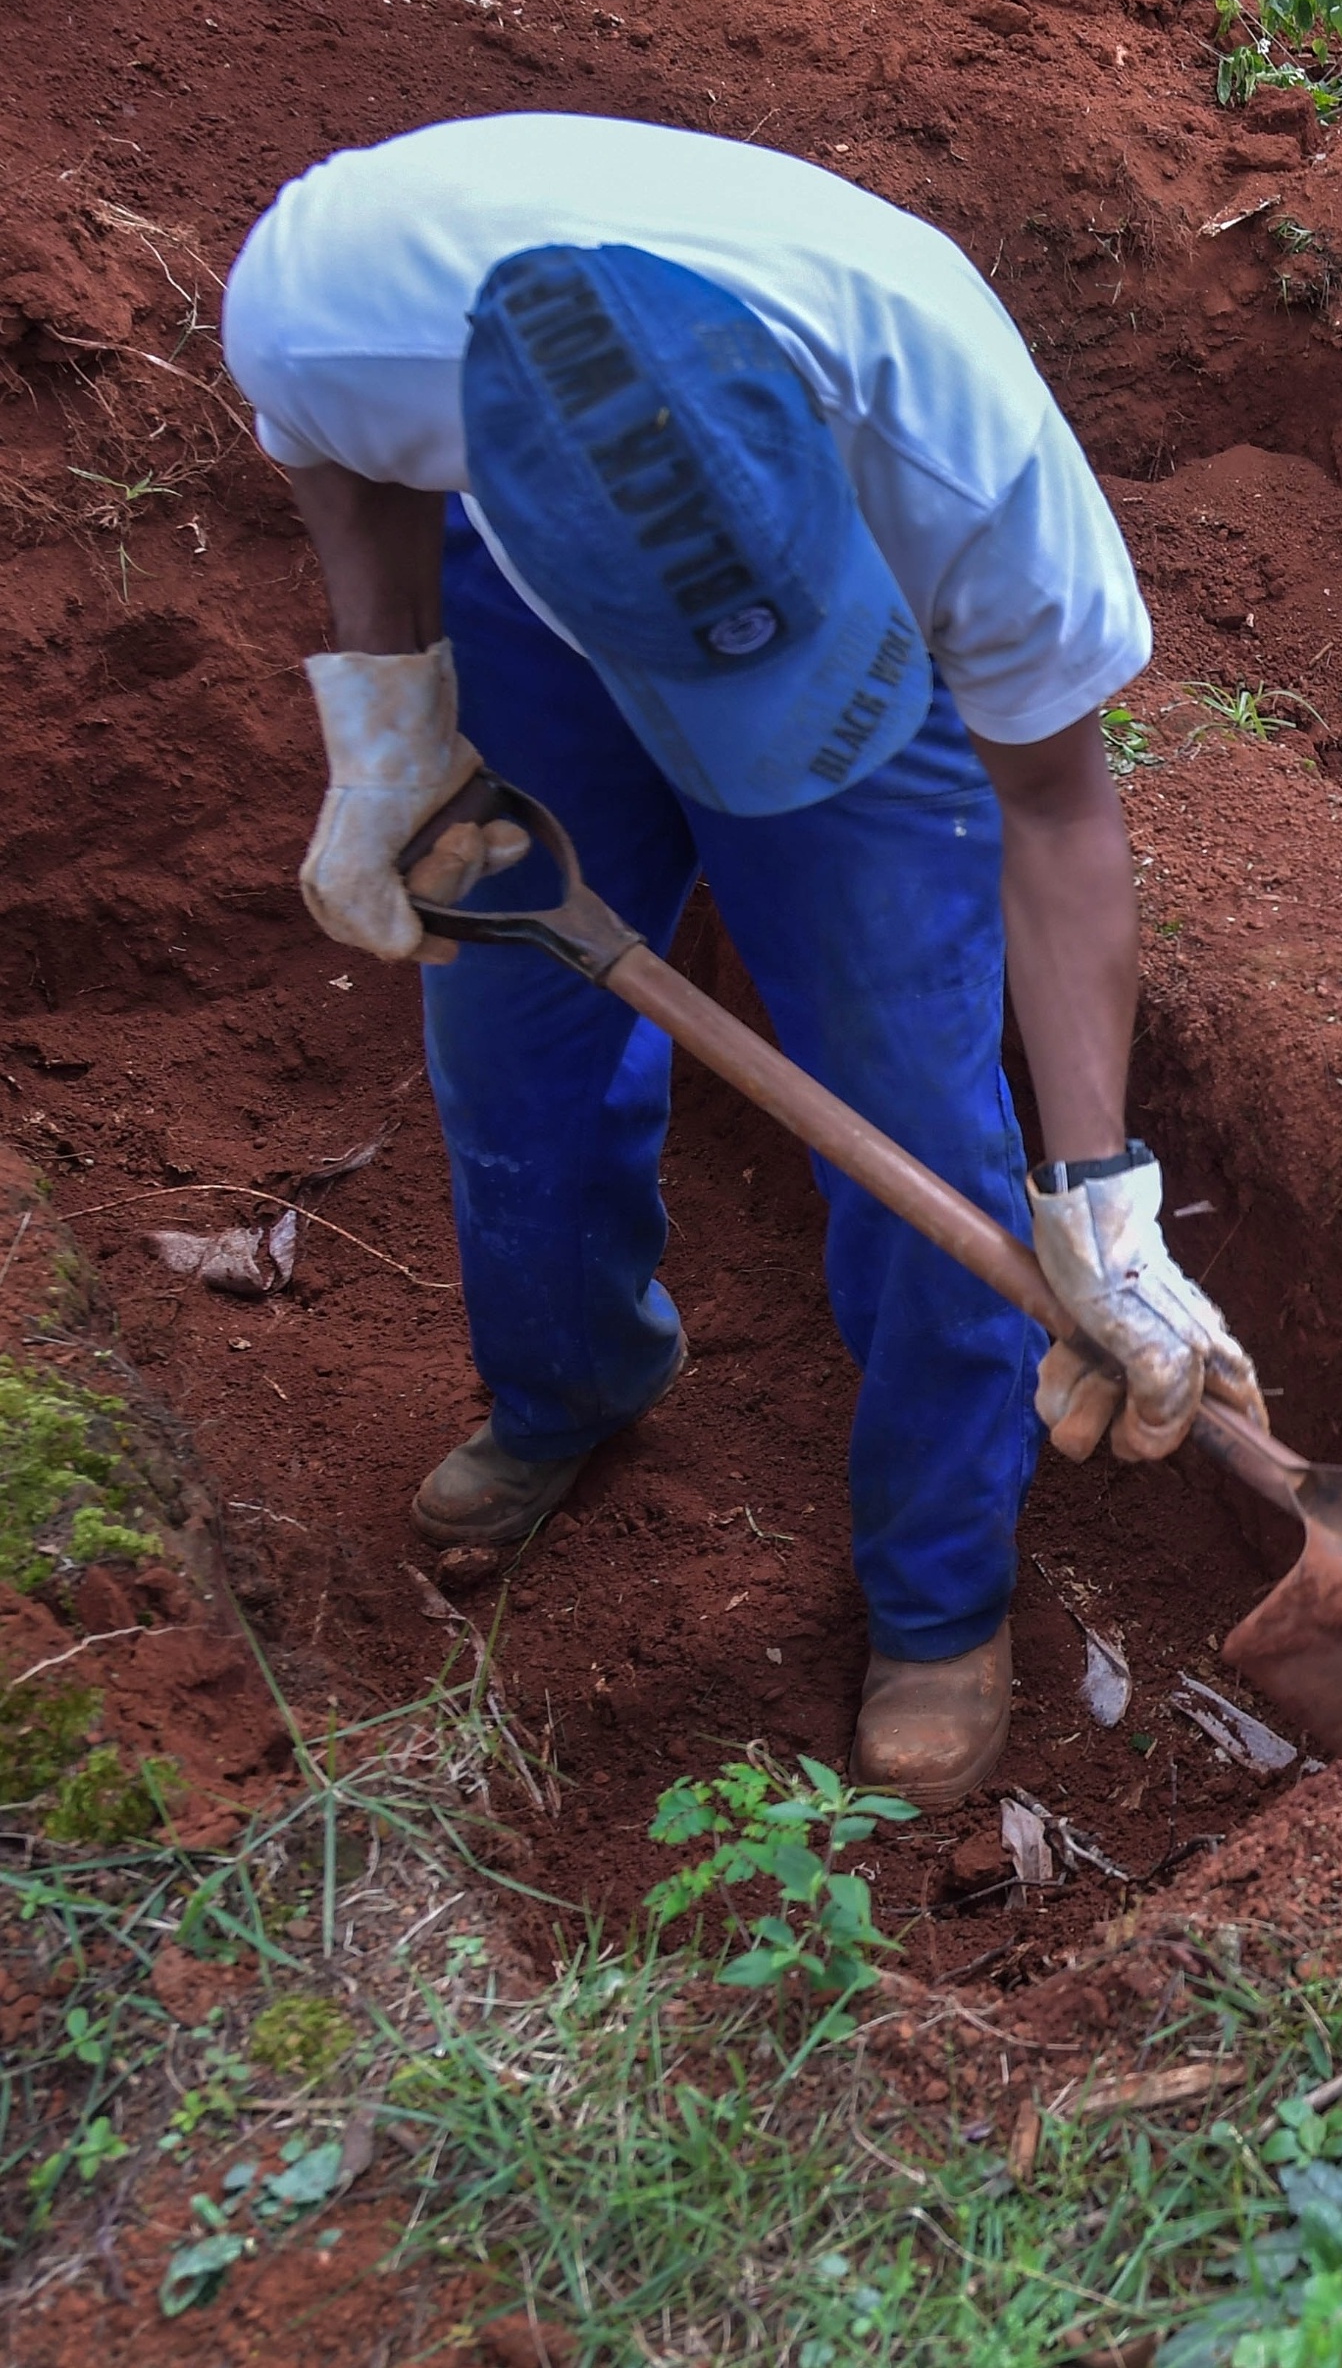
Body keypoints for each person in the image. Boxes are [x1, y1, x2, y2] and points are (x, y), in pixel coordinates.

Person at [223, 112, 1260, 1809]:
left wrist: (1101, 1199)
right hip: (535, 607)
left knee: (921, 1120)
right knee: (511, 1045)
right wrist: (394, 711)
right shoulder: (334, 297)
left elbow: (1062, 817)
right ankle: (569, 1386)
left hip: (858, 684)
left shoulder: (965, 461)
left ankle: (940, 1597)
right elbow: (338, 461)